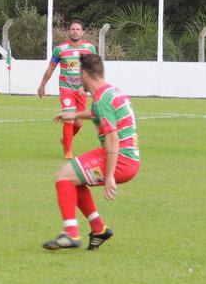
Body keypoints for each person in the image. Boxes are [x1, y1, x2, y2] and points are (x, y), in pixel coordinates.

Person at [42, 54, 140, 251]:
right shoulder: (111, 91)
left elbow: (112, 137)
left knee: (63, 177)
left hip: (118, 158)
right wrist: (75, 114)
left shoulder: (102, 98)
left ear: (85, 74)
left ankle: (70, 233)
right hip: (128, 158)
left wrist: (110, 175)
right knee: (74, 179)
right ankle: (99, 228)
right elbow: (98, 112)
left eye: (80, 75)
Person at [37, 20, 97, 159]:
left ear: (82, 32)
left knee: (79, 122)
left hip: (81, 90)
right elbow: (51, 68)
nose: (75, 31)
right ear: (69, 31)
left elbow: (93, 69)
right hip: (66, 89)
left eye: (78, 29)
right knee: (69, 119)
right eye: (72, 29)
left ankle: (65, 140)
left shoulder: (89, 48)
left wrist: (86, 86)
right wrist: (42, 86)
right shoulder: (60, 49)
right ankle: (68, 151)